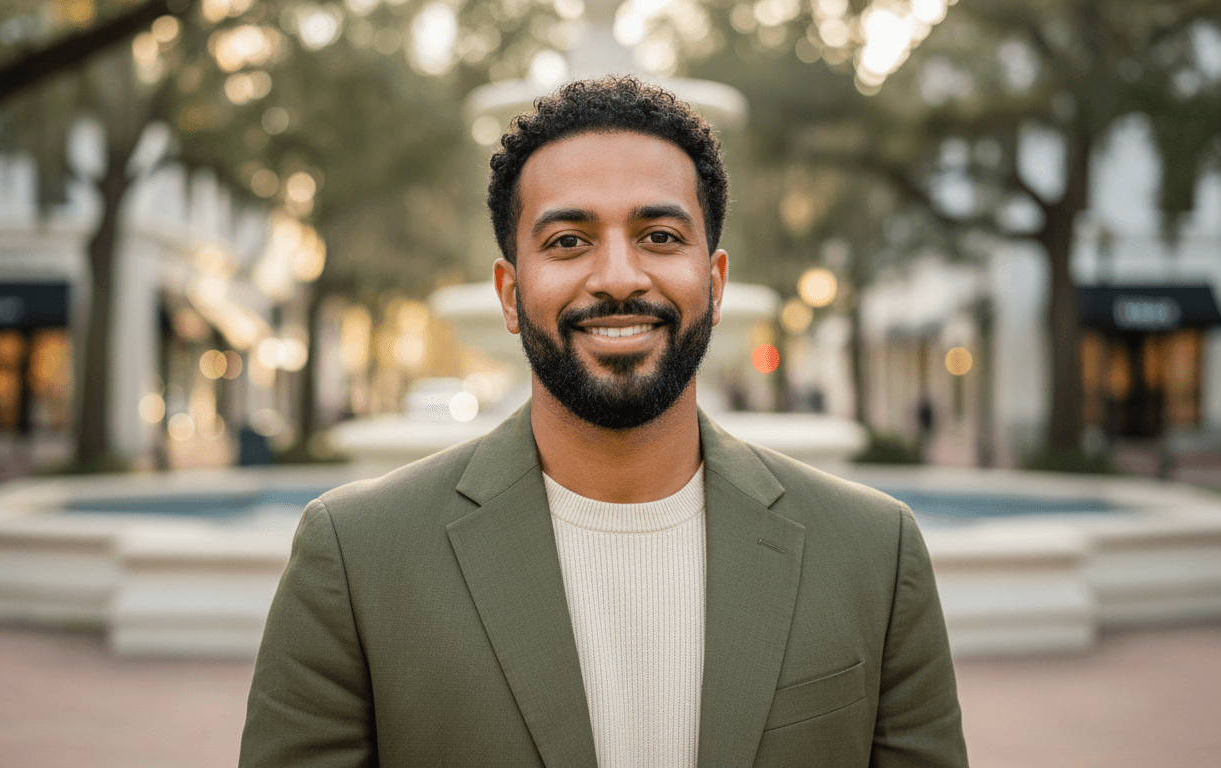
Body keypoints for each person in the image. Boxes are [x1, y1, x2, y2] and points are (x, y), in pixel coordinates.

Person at [239, 76, 967, 767]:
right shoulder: (358, 561)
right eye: (567, 241)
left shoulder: (875, 553)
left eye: (659, 236)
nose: (619, 276)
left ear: (713, 284)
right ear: (508, 291)